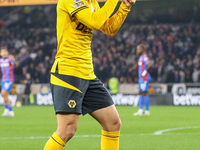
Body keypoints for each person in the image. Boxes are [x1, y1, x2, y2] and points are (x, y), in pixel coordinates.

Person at [44, 0, 137, 149]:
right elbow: (94, 22)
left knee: (113, 123)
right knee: (67, 130)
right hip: (68, 71)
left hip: (87, 73)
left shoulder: (91, 2)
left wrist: (125, 7)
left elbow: (109, 28)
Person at [134, 44, 152, 116]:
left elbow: (150, 64)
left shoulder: (144, 56)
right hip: (141, 78)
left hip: (144, 78)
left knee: (145, 93)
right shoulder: (141, 57)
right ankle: (140, 110)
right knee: (140, 93)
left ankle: (147, 111)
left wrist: (145, 71)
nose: (137, 51)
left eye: (138, 49)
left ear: (142, 50)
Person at [0, 48, 15, 117]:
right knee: (4, 95)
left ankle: (10, 110)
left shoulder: (9, 59)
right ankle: (7, 110)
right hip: (3, 80)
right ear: (0, 54)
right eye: (2, 52)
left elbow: (15, 65)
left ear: (7, 53)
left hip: (9, 80)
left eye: (5, 52)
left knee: (3, 93)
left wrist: (14, 61)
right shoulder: (0, 61)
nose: (4, 53)